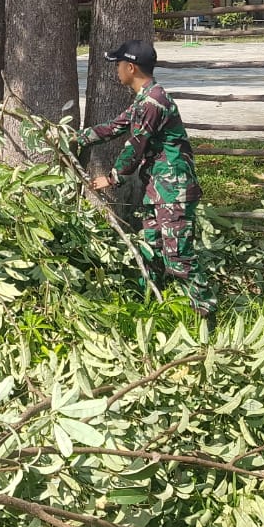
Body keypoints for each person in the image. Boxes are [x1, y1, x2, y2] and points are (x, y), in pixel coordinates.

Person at [78, 40, 217, 327]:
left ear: (130, 67)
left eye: (118, 65)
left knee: (178, 257)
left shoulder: (154, 102)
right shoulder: (144, 100)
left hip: (173, 191)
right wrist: (73, 138)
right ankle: (148, 307)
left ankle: (207, 315)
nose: (116, 70)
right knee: (151, 247)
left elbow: (135, 145)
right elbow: (115, 127)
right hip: (159, 191)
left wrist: (113, 177)